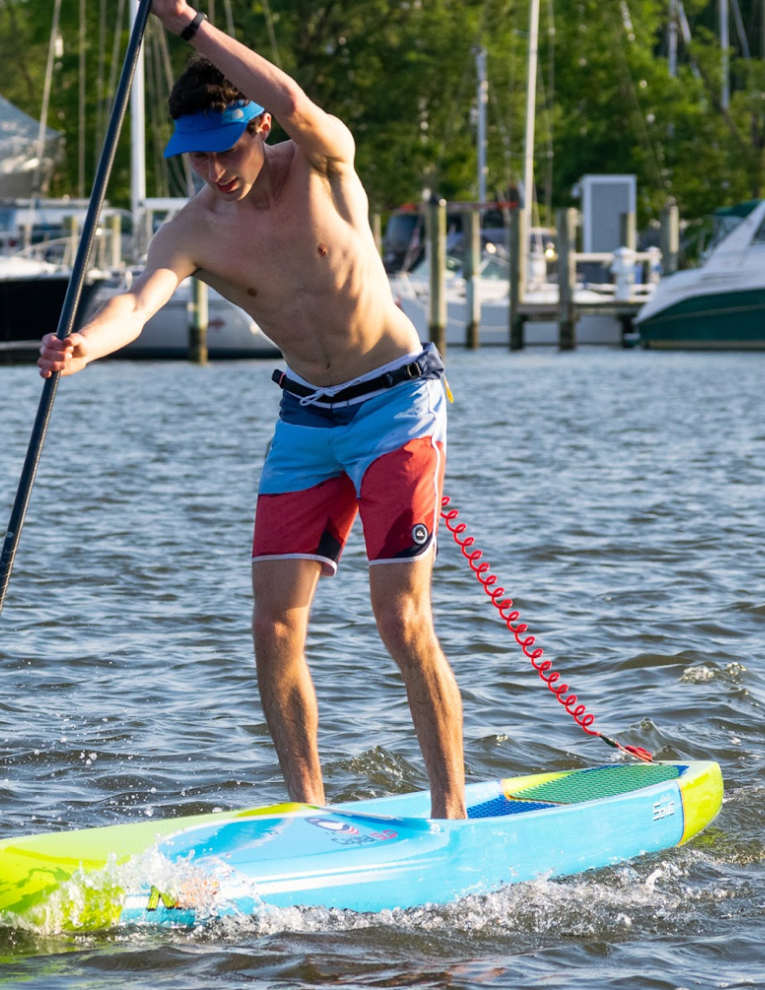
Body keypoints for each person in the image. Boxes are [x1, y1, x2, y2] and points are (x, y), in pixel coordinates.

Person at [38, 0, 466, 819]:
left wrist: (189, 25)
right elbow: (137, 304)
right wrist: (84, 345)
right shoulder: (193, 230)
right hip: (307, 419)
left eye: (223, 148)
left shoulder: (322, 162)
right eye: (194, 156)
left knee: (399, 618)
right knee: (273, 625)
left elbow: (299, 100)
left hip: (396, 403)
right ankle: (308, 813)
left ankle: (452, 819)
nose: (212, 171)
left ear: (259, 126)